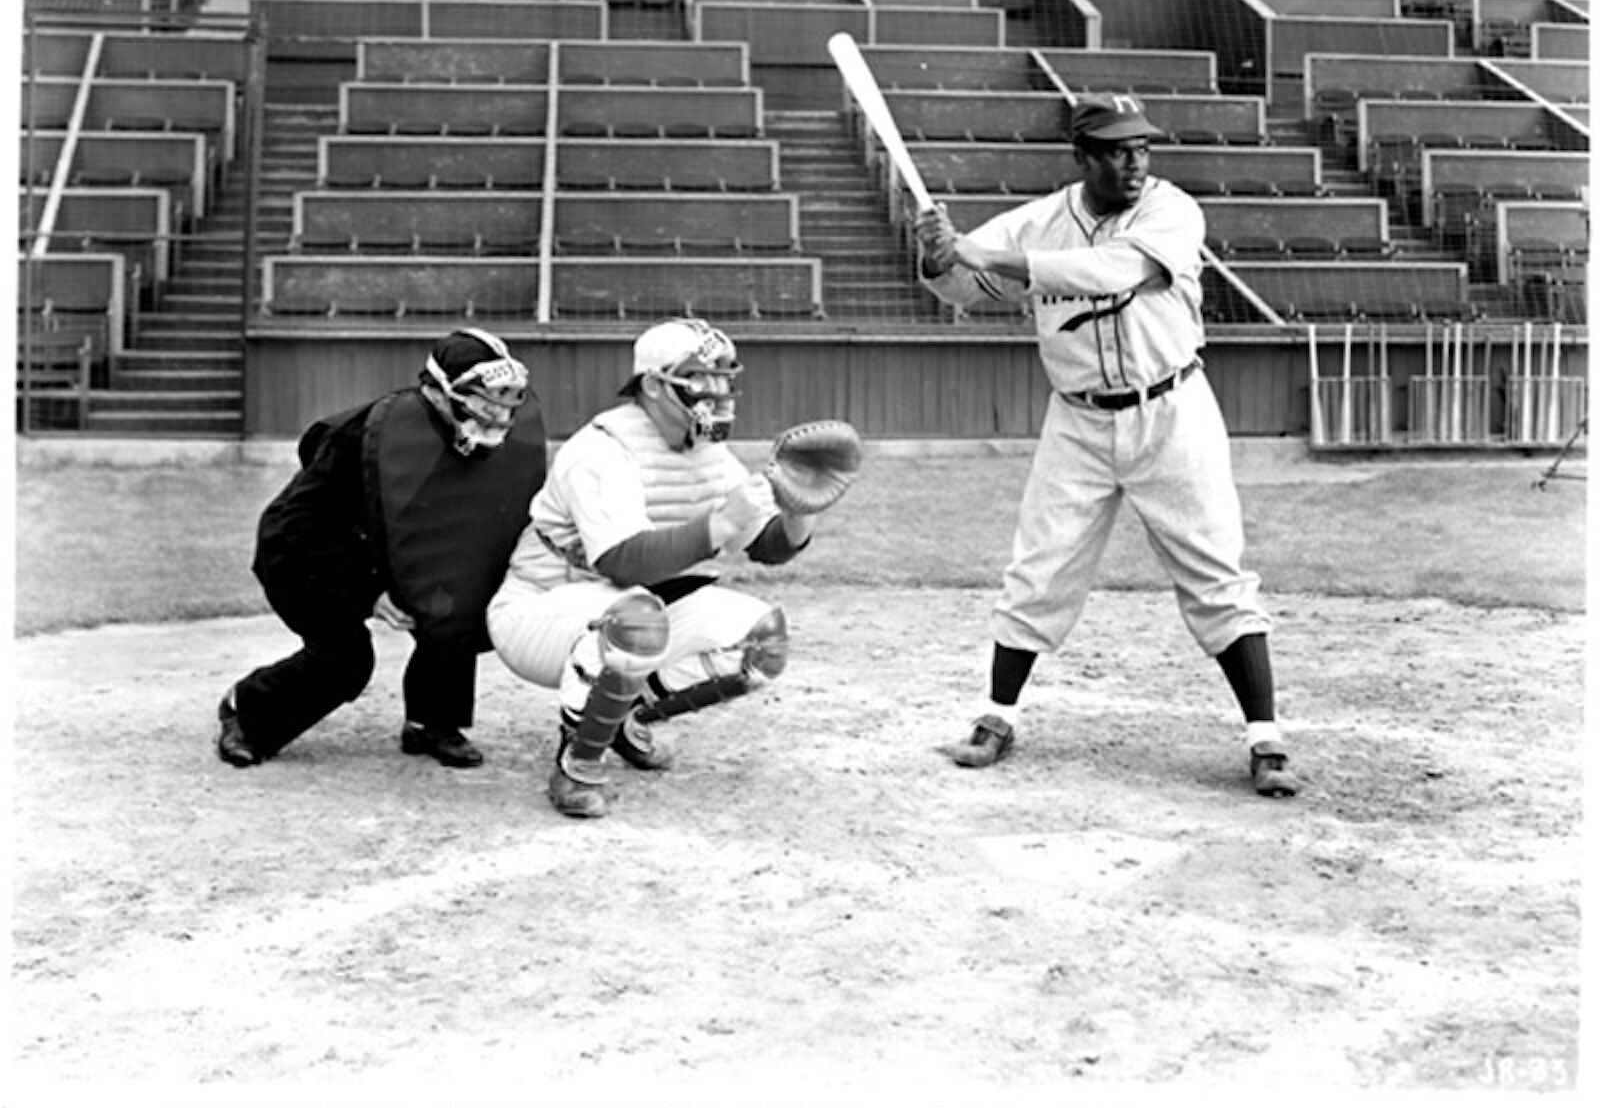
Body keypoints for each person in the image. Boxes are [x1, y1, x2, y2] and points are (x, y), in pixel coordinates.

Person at [912, 92, 1299, 797]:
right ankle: (996, 718)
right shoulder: (1036, 221)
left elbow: (1113, 271)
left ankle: (1265, 738)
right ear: (1082, 157)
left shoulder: (1172, 210)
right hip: (1078, 422)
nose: (1134, 162)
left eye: (1142, 147)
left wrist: (983, 251)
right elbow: (964, 289)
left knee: (1214, 570)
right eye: (1117, 150)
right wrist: (940, 256)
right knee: (1039, 566)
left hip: (1171, 408)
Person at [487, 317, 818, 819]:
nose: (718, 390)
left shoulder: (708, 452)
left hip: (622, 608)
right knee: (636, 621)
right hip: (539, 608)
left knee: (762, 640)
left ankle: (620, 718)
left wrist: (799, 510)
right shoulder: (602, 448)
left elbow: (767, 547)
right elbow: (623, 561)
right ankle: (576, 763)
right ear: (653, 385)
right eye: (701, 376)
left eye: (725, 376)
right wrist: (719, 524)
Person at [216, 327, 546, 771]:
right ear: (436, 391)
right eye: (483, 394)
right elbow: (301, 528)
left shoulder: (484, 438)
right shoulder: (364, 436)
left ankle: (433, 722)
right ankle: (248, 713)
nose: (498, 407)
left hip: (391, 544)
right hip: (308, 552)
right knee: (346, 658)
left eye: (508, 394)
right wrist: (366, 592)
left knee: (453, 605)